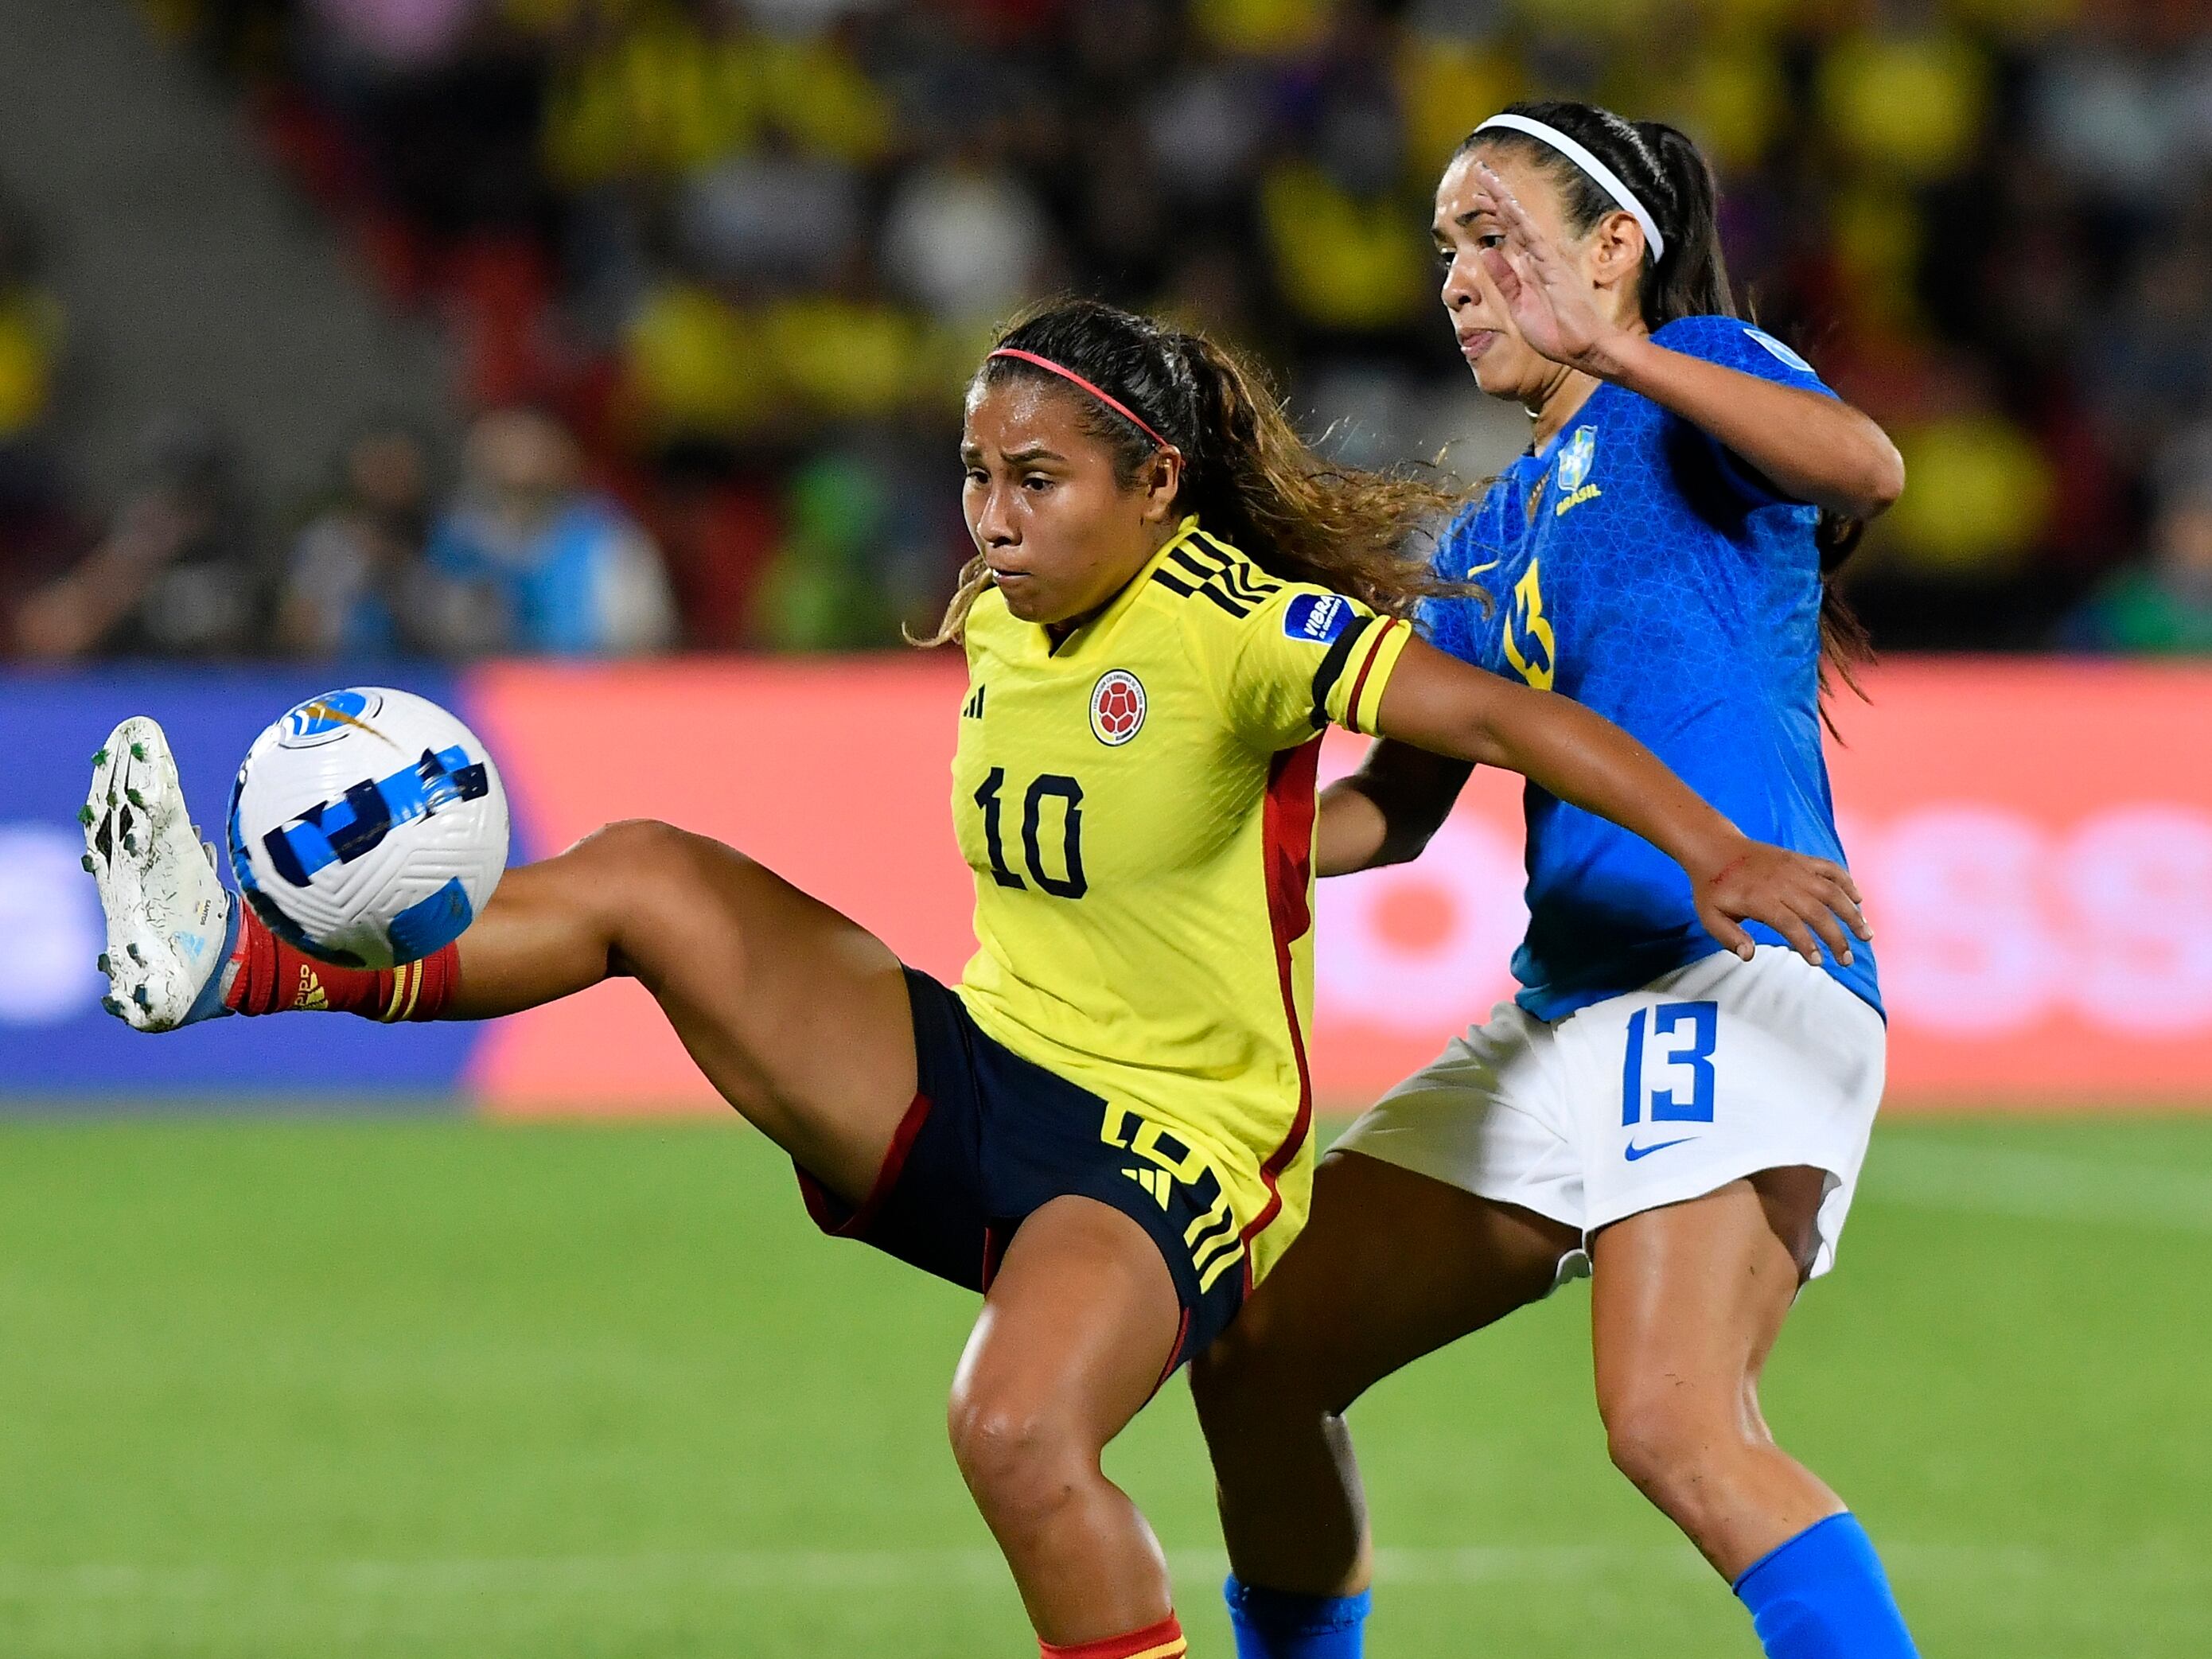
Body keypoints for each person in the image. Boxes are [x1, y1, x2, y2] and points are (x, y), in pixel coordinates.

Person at [86, 298, 1867, 1659]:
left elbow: (1497, 714)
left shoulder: (1245, 625)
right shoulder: (1007, 607)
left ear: (1156, 489)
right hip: (981, 1065)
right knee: (645, 878)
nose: (994, 517)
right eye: (975, 474)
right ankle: (234, 949)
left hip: (1165, 1152)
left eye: (1035, 480)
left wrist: (1709, 849)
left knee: (1015, 1426)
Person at [1190, 103, 1918, 1659]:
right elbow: (1396, 809)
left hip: (1729, 976)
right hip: (1566, 1009)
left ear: (1612, 250)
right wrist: (1188, 836)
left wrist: (1628, 348)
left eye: (1495, 234)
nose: (1458, 276)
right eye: (1444, 247)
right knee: (1254, 1351)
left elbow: (1868, 462)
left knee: (1672, 1422)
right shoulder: (1488, 525)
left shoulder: (1694, 382)